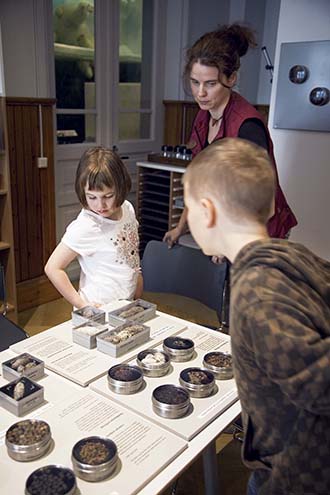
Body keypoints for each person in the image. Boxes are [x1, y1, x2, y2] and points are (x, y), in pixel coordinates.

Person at [183, 137, 330, 495]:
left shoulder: (256, 292)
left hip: (294, 476)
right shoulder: (292, 255)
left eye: (187, 208)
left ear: (208, 211)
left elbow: (320, 385)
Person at [163, 23, 297, 247]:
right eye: (195, 82)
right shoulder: (203, 117)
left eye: (211, 84)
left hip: (260, 233)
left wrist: (227, 242)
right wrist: (181, 226)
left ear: (231, 78)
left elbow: (262, 202)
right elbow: (200, 180)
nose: (200, 93)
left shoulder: (247, 126)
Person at [45, 147, 143, 309]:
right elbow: (52, 268)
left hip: (127, 304)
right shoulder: (86, 226)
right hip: (98, 310)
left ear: (121, 187)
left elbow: (129, 250)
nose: (100, 205)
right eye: (92, 197)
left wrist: (137, 276)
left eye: (108, 196)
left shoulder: (127, 209)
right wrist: (82, 305)